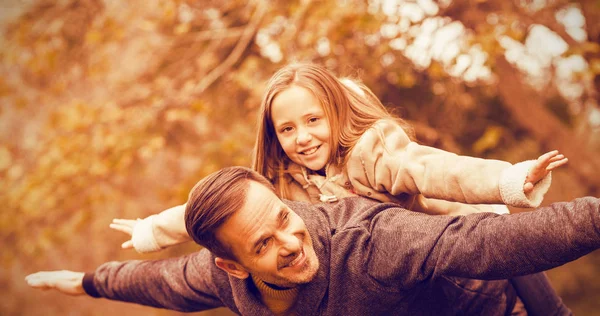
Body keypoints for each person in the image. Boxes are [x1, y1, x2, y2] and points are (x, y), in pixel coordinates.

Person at [109, 63, 569, 314]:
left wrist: (507, 179)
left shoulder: (373, 152)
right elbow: (209, 212)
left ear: (336, 113)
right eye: (287, 129)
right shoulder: (282, 187)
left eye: (313, 120)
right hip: (405, 289)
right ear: (274, 136)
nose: (302, 138)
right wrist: (153, 230)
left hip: (456, 248)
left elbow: (434, 169)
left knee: (514, 258)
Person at [27, 166, 599, 315]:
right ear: (230, 266)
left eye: (283, 217)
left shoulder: (370, 242)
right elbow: (162, 281)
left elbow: (491, 243)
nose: (291, 240)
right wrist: (88, 282)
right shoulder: (222, 282)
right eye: (263, 245)